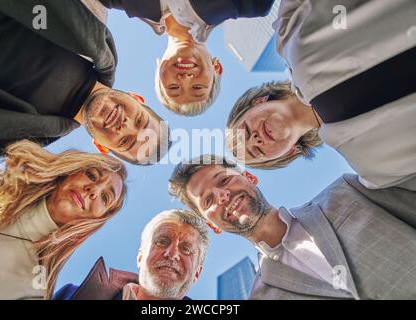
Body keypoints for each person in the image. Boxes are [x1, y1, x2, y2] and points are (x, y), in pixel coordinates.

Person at [226, 0, 416, 190]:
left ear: (258, 102)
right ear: (290, 153)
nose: (256, 139)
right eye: (257, 150)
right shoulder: (375, 169)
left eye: (247, 131)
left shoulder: (290, 31)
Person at [169, 155, 416, 299]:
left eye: (224, 180)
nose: (222, 195)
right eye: (208, 200)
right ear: (213, 226)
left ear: (250, 177)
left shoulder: (348, 192)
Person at [0, 0, 169, 164]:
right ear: (136, 97)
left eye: (125, 141)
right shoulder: (94, 17)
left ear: (101, 147)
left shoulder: (25, 139)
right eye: (140, 121)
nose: (125, 126)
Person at [0, 140, 127, 299]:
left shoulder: (32, 289)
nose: (93, 190)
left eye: (105, 197)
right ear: (70, 171)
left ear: (98, 218)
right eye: (91, 175)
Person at [105, 0, 274, 116]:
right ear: (217, 67)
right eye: (198, 87)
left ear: (158, 70)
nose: (185, 79)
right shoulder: (252, 4)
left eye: (173, 87)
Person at [54, 209, 209, 300]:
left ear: (197, 273)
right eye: (162, 241)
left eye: (186, 249)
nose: (172, 254)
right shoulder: (69, 295)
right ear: (140, 257)